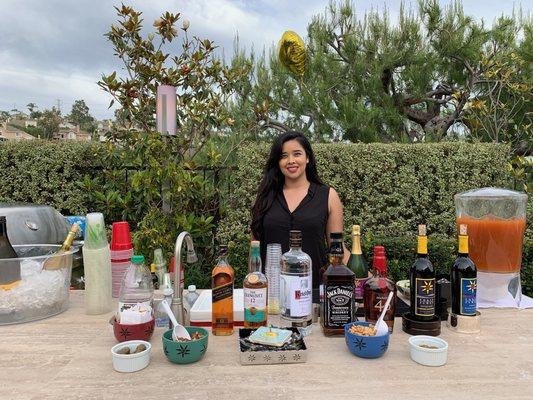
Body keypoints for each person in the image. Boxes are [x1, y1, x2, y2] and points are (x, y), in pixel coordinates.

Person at [251, 131, 349, 302]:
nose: (291, 161)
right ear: (278, 162)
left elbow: (338, 249)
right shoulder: (264, 198)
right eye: (283, 156)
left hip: (313, 294)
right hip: (272, 296)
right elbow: (253, 251)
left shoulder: (328, 196)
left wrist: (370, 278)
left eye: (297, 154)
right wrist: (253, 290)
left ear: (308, 157)